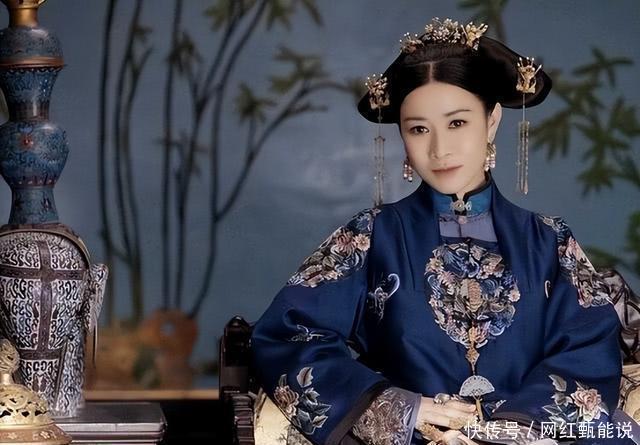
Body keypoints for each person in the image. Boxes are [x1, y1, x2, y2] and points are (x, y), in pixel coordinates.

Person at [251, 17, 635, 445]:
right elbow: (287, 334)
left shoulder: (549, 240)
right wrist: (402, 409)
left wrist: (514, 430)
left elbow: (588, 348)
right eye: (419, 129)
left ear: (492, 120)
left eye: (457, 123)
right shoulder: (371, 237)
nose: (439, 149)